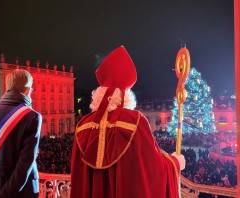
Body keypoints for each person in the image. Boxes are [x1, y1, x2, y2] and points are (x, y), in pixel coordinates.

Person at [71, 46, 185, 198]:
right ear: (126, 94)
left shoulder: (83, 125)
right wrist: (175, 164)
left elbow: (79, 179)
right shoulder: (135, 121)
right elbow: (152, 171)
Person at [0, 69, 42, 198]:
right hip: (21, 192)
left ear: (8, 87)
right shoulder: (32, 117)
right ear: (28, 90)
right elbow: (24, 166)